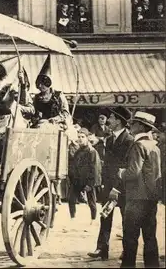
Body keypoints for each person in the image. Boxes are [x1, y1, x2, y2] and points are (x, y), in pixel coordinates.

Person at [88, 107, 134, 261]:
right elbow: (107, 164)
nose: (109, 121)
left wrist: (116, 187)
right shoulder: (109, 138)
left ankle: (128, 251)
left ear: (119, 121)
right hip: (108, 185)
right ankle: (102, 248)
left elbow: (126, 166)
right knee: (105, 216)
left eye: (112, 118)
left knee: (126, 219)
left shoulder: (129, 140)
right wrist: (103, 183)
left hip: (122, 187)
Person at [117, 111, 161, 268]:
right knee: (150, 237)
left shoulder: (138, 146)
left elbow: (133, 173)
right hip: (151, 197)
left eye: (133, 123)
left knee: (130, 236)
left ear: (141, 126)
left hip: (136, 198)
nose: (130, 125)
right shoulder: (155, 147)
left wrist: (122, 173)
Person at [0, 62, 32, 164]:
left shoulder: (9, 88)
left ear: (1, 73)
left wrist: (22, 84)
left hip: (5, 121)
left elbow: (23, 101)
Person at [68, 128, 102, 222]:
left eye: (82, 137)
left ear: (87, 138)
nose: (80, 139)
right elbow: (74, 166)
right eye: (78, 137)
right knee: (71, 199)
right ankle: (73, 219)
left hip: (88, 181)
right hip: (78, 180)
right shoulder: (78, 151)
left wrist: (90, 184)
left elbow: (95, 169)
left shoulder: (92, 151)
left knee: (92, 202)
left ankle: (93, 220)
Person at [31, 54, 71, 131]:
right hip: (40, 124)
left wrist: (55, 119)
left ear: (48, 83)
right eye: (38, 83)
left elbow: (66, 113)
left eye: (42, 83)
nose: (40, 86)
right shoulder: (36, 98)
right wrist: (35, 118)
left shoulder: (58, 96)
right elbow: (33, 113)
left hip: (56, 125)